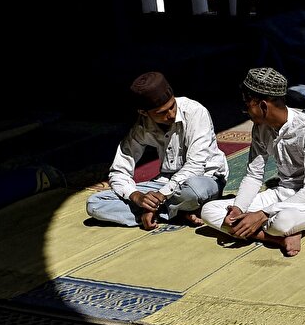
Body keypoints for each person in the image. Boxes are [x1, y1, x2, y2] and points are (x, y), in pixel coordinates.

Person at [199, 67, 305, 257]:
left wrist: (262, 214)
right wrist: (238, 209)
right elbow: (254, 175)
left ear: (263, 106)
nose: (246, 111)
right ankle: (277, 239)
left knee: (281, 223)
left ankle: (275, 230)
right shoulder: (260, 128)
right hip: (282, 194)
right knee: (209, 211)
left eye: (247, 105)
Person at [86, 72, 228, 230]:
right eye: (162, 113)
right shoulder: (141, 127)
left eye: (172, 106)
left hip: (205, 179)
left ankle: (156, 212)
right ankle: (178, 212)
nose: (171, 114)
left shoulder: (195, 112)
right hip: (165, 184)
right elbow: (118, 172)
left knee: (195, 191)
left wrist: (160, 197)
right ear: (143, 112)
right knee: (95, 203)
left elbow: (196, 165)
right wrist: (138, 197)